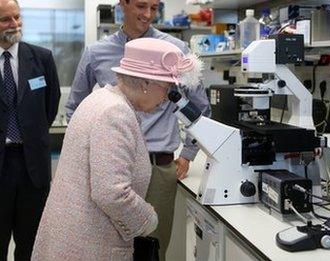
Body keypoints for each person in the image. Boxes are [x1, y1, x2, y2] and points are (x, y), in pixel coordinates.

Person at [32, 37, 203, 260]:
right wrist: (149, 220)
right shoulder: (116, 114)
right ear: (145, 84)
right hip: (89, 245)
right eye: (167, 88)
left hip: (73, 237)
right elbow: (112, 193)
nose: (167, 98)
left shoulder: (101, 98)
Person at [65, 0, 210, 259]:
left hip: (158, 169)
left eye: (154, 8)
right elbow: (75, 108)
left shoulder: (175, 50)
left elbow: (200, 109)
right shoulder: (97, 52)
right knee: (108, 249)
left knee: (151, 250)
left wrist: (188, 152)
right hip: (110, 168)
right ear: (123, 4)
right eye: (141, 6)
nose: (148, 15)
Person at [0, 0, 61, 260]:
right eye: (6, 20)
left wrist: (30, 133)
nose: (15, 24)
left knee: (31, 244)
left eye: (18, 17)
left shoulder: (42, 58)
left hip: (32, 167)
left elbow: (50, 104)